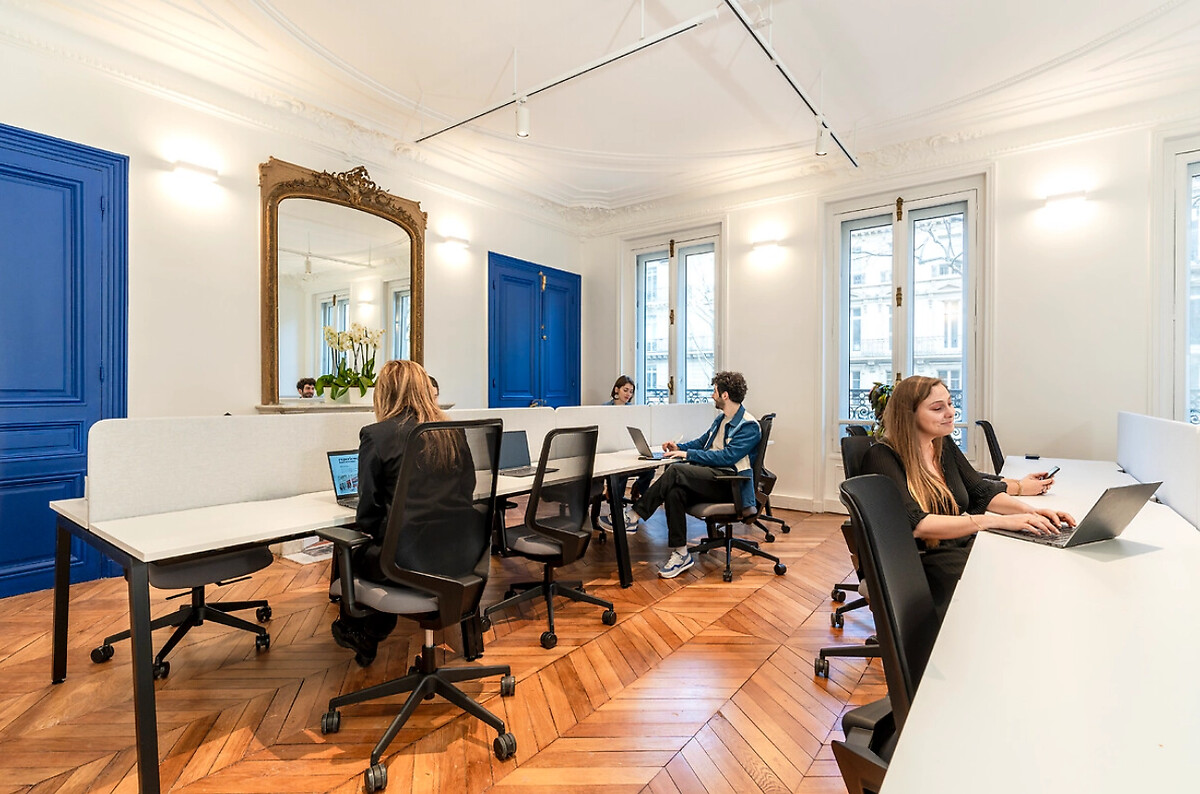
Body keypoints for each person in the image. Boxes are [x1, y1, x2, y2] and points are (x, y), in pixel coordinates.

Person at [861, 375, 1075, 620]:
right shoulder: (881, 457)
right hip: (918, 562)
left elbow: (980, 491)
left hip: (954, 546)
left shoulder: (941, 445)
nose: (950, 412)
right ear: (908, 414)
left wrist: (1031, 513)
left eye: (950, 404)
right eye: (938, 408)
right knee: (1003, 588)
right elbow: (917, 525)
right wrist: (995, 521)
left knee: (1024, 564)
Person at [330, 359, 473, 666]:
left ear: (385, 393)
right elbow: (467, 491)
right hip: (459, 555)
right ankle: (373, 629)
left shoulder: (376, 435)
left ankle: (362, 631)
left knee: (348, 545)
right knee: (385, 543)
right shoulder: (452, 431)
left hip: (407, 563)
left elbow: (367, 514)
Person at [632, 371, 761, 579]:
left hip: (729, 485)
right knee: (674, 491)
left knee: (676, 470)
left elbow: (727, 457)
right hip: (712, 479)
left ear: (725, 395)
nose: (712, 395)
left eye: (715, 391)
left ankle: (634, 515)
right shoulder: (722, 420)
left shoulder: (749, 426)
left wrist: (687, 455)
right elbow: (702, 442)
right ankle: (681, 553)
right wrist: (679, 447)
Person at [599, 375, 653, 532]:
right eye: (625, 390)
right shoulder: (604, 408)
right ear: (617, 389)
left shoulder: (632, 409)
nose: (628, 394)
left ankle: (638, 489)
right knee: (621, 472)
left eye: (631, 391)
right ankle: (616, 509)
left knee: (650, 469)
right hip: (610, 452)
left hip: (628, 450)